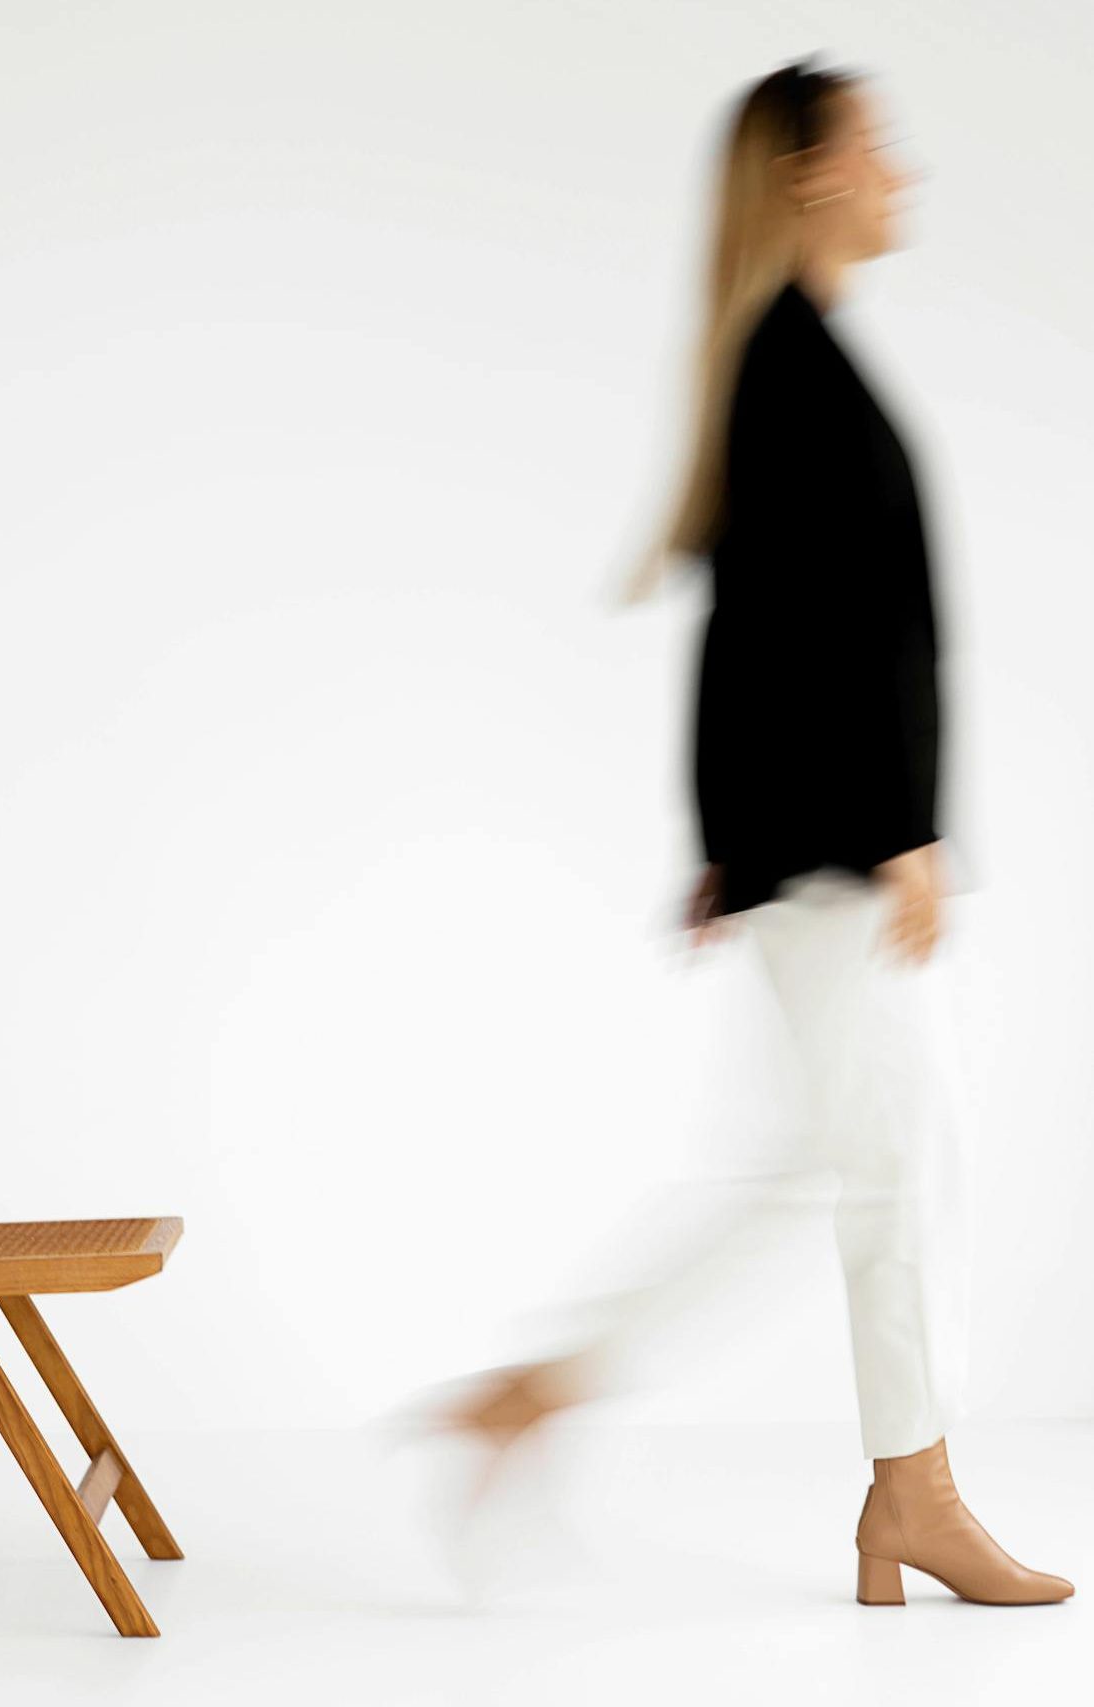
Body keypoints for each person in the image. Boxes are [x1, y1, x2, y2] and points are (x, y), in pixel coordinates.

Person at [425, 56, 1073, 1607]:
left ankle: (862, 1484)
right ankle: (896, 1494)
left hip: (813, 839)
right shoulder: (791, 369)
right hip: (838, 845)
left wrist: (732, 835)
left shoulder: (793, 360)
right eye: (880, 147)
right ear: (810, 174)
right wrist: (894, 828)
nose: (904, 169)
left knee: (856, 1160)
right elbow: (807, 636)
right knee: (882, 1160)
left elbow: (757, 628)